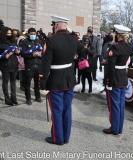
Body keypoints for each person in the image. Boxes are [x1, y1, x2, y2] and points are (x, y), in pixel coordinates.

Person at [39, 15, 83, 145]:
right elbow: (83, 49)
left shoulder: (51, 40)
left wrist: (42, 83)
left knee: (57, 110)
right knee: (67, 109)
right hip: (69, 78)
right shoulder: (74, 39)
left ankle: (57, 138)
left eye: (54, 25)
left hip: (55, 80)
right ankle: (66, 137)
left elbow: (45, 64)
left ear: (56, 25)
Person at [103, 25, 132, 135]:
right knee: (120, 105)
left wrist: (108, 82)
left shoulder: (115, 47)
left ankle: (114, 129)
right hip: (123, 77)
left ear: (119, 35)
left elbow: (111, 67)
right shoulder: (128, 46)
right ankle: (119, 128)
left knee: (114, 105)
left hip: (114, 78)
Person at [0, 27, 20, 105]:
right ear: (3, 34)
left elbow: (17, 52)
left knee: (13, 82)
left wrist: (18, 52)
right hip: (5, 65)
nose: (9, 35)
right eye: (7, 34)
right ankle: (7, 99)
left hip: (14, 64)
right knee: (5, 82)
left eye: (10, 33)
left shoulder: (14, 41)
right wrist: (4, 57)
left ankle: (14, 98)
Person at [20, 28, 43, 105]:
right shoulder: (25, 42)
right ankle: (28, 98)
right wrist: (32, 55)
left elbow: (43, 52)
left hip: (38, 65)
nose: (33, 35)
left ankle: (37, 96)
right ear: (28, 34)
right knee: (28, 83)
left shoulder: (39, 42)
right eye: (31, 34)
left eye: (34, 34)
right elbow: (23, 54)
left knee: (37, 83)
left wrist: (40, 55)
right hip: (29, 65)